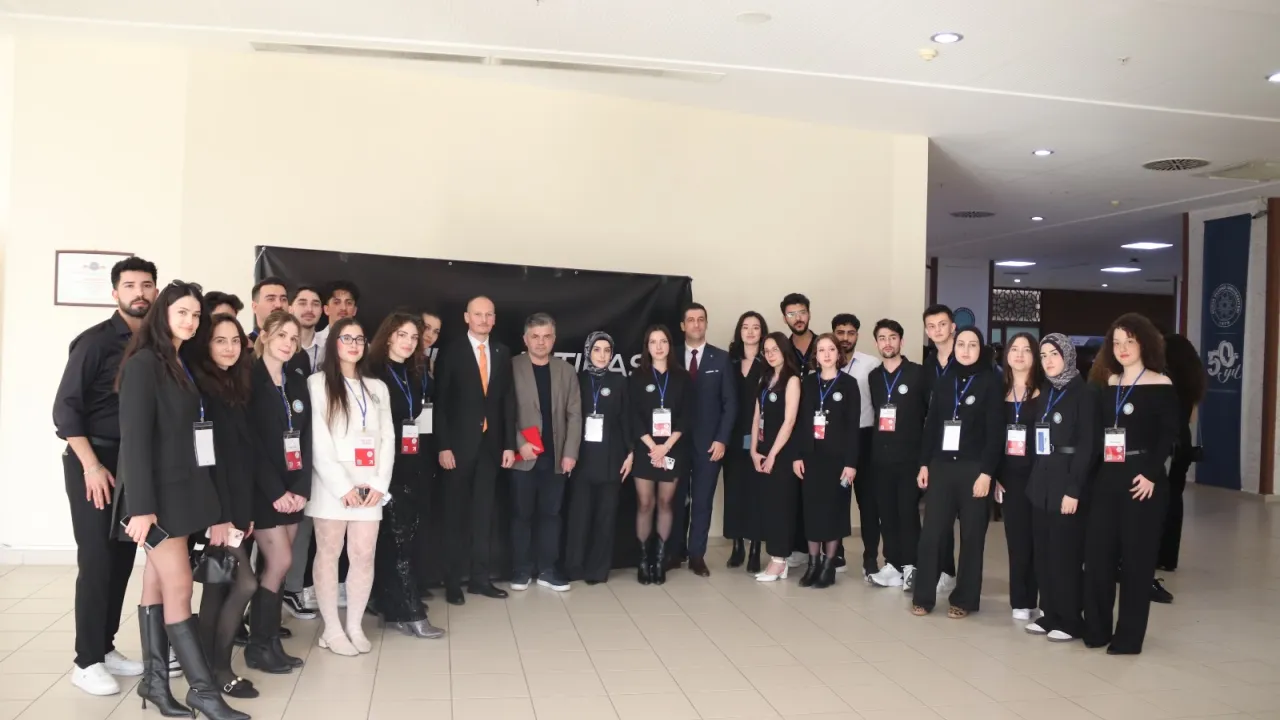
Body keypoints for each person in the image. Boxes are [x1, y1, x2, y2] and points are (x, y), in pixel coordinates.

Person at [115, 280, 248, 720]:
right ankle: (203, 692)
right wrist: (140, 507)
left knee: (156, 584)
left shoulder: (179, 361)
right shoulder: (144, 364)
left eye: (195, 315)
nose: (190, 321)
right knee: (179, 588)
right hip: (157, 499)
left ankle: (155, 683)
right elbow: (134, 441)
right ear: (163, 315)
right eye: (182, 313)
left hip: (184, 492)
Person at [52, 256, 157, 696]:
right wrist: (92, 466)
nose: (139, 293)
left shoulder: (157, 343)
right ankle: (86, 661)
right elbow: (65, 410)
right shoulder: (94, 342)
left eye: (146, 285)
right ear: (115, 293)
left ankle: (105, 646)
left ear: (155, 291)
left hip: (133, 464)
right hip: (94, 461)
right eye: (129, 285)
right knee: (96, 559)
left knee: (121, 558)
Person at [1083, 313, 1178, 655]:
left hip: (1143, 479)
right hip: (1108, 476)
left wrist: (1151, 473)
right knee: (1098, 558)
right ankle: (1096, 629)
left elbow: (1169, 435)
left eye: (1130, 342)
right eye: (1117, 342)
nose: (1122, 348)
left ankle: (1129, 637)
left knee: (1137, 562)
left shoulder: (1161, 383)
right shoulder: (1108, 383)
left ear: (1144, 344)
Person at [307, 317, 395, 656]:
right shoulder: (317, 383)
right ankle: (331, 628)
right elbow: (318, 439)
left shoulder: (377, 387)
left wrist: (379, 483)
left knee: (363, 554)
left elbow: (387, 438)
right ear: (334, 343)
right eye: (347, 338)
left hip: (369, 486)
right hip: (332, 486)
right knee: (329, 554)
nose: (355, 345)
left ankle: (354, 625)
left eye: (360, 339)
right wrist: (342, 486)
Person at [188, 312, 261, 699]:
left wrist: (243, 513)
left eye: (235, 340)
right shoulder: (203, 392)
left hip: (235, 506)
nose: (230, 347)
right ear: (206, 344)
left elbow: (241, 460)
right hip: (215, 510)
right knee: (244, 582)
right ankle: (218, 669)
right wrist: (218, 518)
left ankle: (206, 672)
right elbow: (207, 462)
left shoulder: (235, 385)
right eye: (220, 340)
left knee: (217, 588)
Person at [912, 326, 1002, 618]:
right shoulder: (945, 381)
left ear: (981, 349)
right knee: (932, 535)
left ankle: (964, 600)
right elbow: (931, 426)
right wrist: (924, 463)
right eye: (961, 344)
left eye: (972, 345)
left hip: (974, 470)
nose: (965, 350)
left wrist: (987, 473)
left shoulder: (991, 382)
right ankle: (923, 597)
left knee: (972, 537)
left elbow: (995, 434)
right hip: (941, 467)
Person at [435, 296, 517, 605]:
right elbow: (441, 403)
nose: (483, 320)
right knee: (455, 516)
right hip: (457, 448)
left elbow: (507, 401)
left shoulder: (502, 352)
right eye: (478, 314)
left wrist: (509, 444)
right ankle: (452, 581)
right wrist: (443, 446)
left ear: (494, 319)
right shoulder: (452, 351)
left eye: (488, 315)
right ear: (466, 317)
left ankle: (480, 580)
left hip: (490, 448)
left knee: (484, 515)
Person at [368, 313, 445, 638]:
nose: (409, 342)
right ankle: (411, 611)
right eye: (403, 335)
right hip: (383, 467)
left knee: (401, 538)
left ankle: (393, 606)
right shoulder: (372, 372)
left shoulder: (413, 371)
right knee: (396, 539)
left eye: (414, 337)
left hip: (410, 462)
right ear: (388, 335)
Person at [244, 309, 310, 674]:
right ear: (265, 335)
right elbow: (250, 444)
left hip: (293, 488)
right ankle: (257, 645)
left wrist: (300, 488)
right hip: (264, 490)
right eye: (282, 335)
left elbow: (307, 438)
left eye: (294, 338)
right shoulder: (248, 380)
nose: (288, 343)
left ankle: (270, 643)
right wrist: (275, 491)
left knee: (278, 567)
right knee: (280, 561)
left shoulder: (297, 382)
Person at [1024, 333, 1098, 643]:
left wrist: (1074, 489)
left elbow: (1088, 446)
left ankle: (1070, 619)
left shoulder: (1084, 393)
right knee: (1043, 552)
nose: (1048, 361)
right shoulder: (1047, 392)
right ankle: (1050, 613)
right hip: (1042, 479)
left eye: (1054, 354)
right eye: (1043, 356)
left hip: (1067, 480)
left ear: (1067, 356)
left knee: (1064, 554)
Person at [509, 313, 582, 591]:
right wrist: (518, 442)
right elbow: (503, 412)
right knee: (521, 515)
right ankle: (521, 570)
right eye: (535, 336)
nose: (541, 342)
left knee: (551, 515)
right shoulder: (511, 367)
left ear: (554, 339)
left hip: (556, 457)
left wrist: (570, 452)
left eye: (547, 336)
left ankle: (548, 570)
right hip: (523, 457)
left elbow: (574, 415)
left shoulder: (566, 370)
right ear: (525, 339)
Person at [865, 320, 931, 591]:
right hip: (881, 458)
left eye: (892, 337)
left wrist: (925, 461)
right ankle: (892, 564)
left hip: (909, 458)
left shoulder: (918, 373)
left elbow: (930, 417)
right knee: (887, 513)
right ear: (876, 343)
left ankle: (911, 566)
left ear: (901, 341)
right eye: (882, 338)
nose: (887, 343)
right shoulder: (874, 377)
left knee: (907, 512)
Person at [564, 332, 634, 584]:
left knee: (606, 517)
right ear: (588, 352)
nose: (602, 355)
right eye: (597, 350)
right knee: (579, 516)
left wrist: (630, 453)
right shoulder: (577, 379)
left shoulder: (620, 381)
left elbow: (626, 419)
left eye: (607, 350)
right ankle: (574, 567)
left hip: (611, 457)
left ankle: (598, 570)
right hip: (582, 457)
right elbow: (568, 417)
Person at [674, 303, 736, 577]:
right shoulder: (670, 355)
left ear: (706, 324)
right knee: (674, 499)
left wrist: (722, 439)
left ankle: (697, 555)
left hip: (709, 444)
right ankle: (674, 552)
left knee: (702, 500)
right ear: (682, 325)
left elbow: (730, 403)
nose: (696, 324)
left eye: (701, 319)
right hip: (674, 443)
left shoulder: (720, 359)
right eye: (691, 320)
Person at [793, 334, 859, 588]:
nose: (827, 354)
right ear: (816, 356)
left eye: (831, 349)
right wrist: (798, 455)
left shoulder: (849, 384)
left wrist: (851, 463)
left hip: (838, 460)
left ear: (838, 354)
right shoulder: (808, 383)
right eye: (821, 350)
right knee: (812, 512)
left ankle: (829, 565)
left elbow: (853, 427)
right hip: (811, 457)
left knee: (834, 512)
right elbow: (801, 422)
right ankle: (813, 564)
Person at [629, 325, 691, 585]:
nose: (658, 346)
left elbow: (687, 416)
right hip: (646, 449)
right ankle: (644, 560)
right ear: (647, 346)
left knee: (666, 503)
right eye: (653, 342)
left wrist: (665, 447)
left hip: (672, 449)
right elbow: (632, 416)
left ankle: (660, 559)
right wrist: (652, 445)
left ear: (669, 345)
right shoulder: (637, 377)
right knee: (645, 503)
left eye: (663, 341)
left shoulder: (682, 377)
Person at [280, 284, 325, 621]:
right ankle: (269, 596)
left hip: (318, 449)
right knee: (275, 533)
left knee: (305, 526)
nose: (309, 308)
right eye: (302, 302)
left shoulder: (331, 347)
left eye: (315, 303)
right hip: (283, 451)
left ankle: (293, 589)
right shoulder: (283, 352)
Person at [996, 333, 1044, 621]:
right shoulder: (998, 392)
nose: (1020, 355)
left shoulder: (1044, 393)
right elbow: (991, 437)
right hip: (1009, 477)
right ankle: (1020, 601)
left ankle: (1041, 597)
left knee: (1040, 539)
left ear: (1034, 356)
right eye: (1015, 349)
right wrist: (995, 475)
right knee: (1017, 540)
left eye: (1026, 350)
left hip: (1039, 474)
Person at [1154, 332, 1205, 601]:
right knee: (1176, 496)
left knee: (1162, 496)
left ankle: (1157, 552)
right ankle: (1169, 557)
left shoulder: (1166, 380)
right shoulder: (1193, 379)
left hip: (1169, 441)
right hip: (1183, 441)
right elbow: (1192, 415)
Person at [833, 313, 882, 578]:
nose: (845, 338)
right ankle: (836, 552)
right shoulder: (826, 360)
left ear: (857, 336)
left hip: (865, 437)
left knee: (868, 502)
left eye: (850, 333)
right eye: (840, 332)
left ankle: (870, 557)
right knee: (836, 499)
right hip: (835, 441)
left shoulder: (871, 364)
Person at [751, 333, 803, 582]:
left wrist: (772, 454)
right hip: (763, 451)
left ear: (784, 350)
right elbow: (756, 416)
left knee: (781, 506)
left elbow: (789, 421)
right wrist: (754, 450)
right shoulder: (765, 378)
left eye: (775, 349)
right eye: (767, 350)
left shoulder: (792, 380)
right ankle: (776, 556)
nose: (771, 354)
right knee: (769, 506)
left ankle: (780, 560)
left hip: (782, 453)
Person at [725, 312, 769, 572]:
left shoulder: (768, 361)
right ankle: (737, 545)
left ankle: (755, 549)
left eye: (756, 327)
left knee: (756, 493)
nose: (750, 332)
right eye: (745, 327)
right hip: (732, 436)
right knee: (734, 492)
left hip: (759, 436)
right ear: (739, 331)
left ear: (762, 332)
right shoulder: (729, 361)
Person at [920, 304, 960, 592]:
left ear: (953, 326)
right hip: (938, 446)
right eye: (931, 326)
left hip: (966, 448)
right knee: (938, 515)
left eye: (942, 324)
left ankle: (959, 576)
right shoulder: (928, 364)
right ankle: (945, 569)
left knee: (963, 517)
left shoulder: (968, 357)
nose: (937, 330)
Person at [780, 293, 815, 568]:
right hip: (789, 428)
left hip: (821, 428)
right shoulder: (782, 348)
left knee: (817, 490)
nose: (798, 318)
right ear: (785, 318)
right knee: (790, 490)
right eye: (791, 314)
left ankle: (825, 550)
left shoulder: (823, 345)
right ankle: (795, 547)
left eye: (801, 312)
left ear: (809, 313)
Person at [314, 279, 360, 349]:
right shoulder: (313, 342)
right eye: (337, 302)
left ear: (354, 310)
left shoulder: (363, 347)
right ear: (326, 309)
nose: (343, 308)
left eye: (349, 303)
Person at [249, 277, 289, 341]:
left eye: (283, 299)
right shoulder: (244, 345)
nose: (279, 305)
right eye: (271, 299)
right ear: (255, 307)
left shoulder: (296, 345)